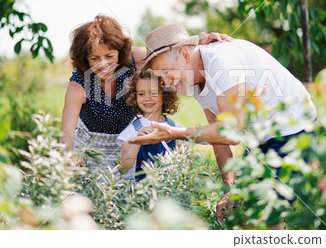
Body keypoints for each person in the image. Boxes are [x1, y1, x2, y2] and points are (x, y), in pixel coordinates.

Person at [128, 24, 317, 225]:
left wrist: (175, 132)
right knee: (244, 214)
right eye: (160, 77)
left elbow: (231, 132)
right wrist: (229, 188)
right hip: (262, 134)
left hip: (293, 126)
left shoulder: (221, 62)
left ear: (184, 54)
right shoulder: (192, 78)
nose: (166, 82)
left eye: (166, 72)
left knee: (264, 215)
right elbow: (217, 136)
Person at [60, 15, 231, 169]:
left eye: (109, 56)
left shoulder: (136, 59)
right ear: (85, 59)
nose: (103, 64)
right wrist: (69, 156)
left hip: (127, 143)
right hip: (91, 147)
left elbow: (169, 54)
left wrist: (200, 48)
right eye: (94, 58)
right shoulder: (79, 85)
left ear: (120, 51)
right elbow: (67, 130)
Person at [117, 70, 185, 181]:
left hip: (169, 194)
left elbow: (185, 167)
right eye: (141, 94)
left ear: (165, 94)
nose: (147, 98)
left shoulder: (177, 129)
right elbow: (123, 168)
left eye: (154, 93)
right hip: (140, 195)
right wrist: (137, 142)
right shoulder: (132, 130)